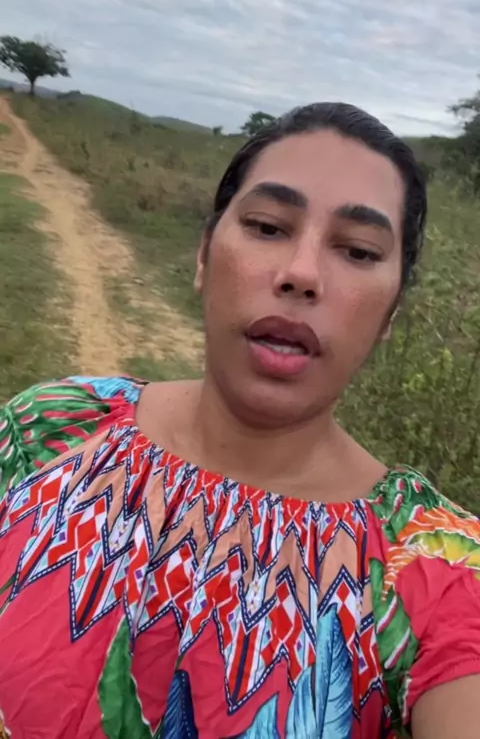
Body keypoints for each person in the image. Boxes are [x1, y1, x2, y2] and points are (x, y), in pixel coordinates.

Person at [0, 102, 479, 739]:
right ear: (204, 254)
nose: (301, 274)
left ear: (391, 312)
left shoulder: (433, 568)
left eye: (359, 251)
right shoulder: (48, 431)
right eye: (267, 226)